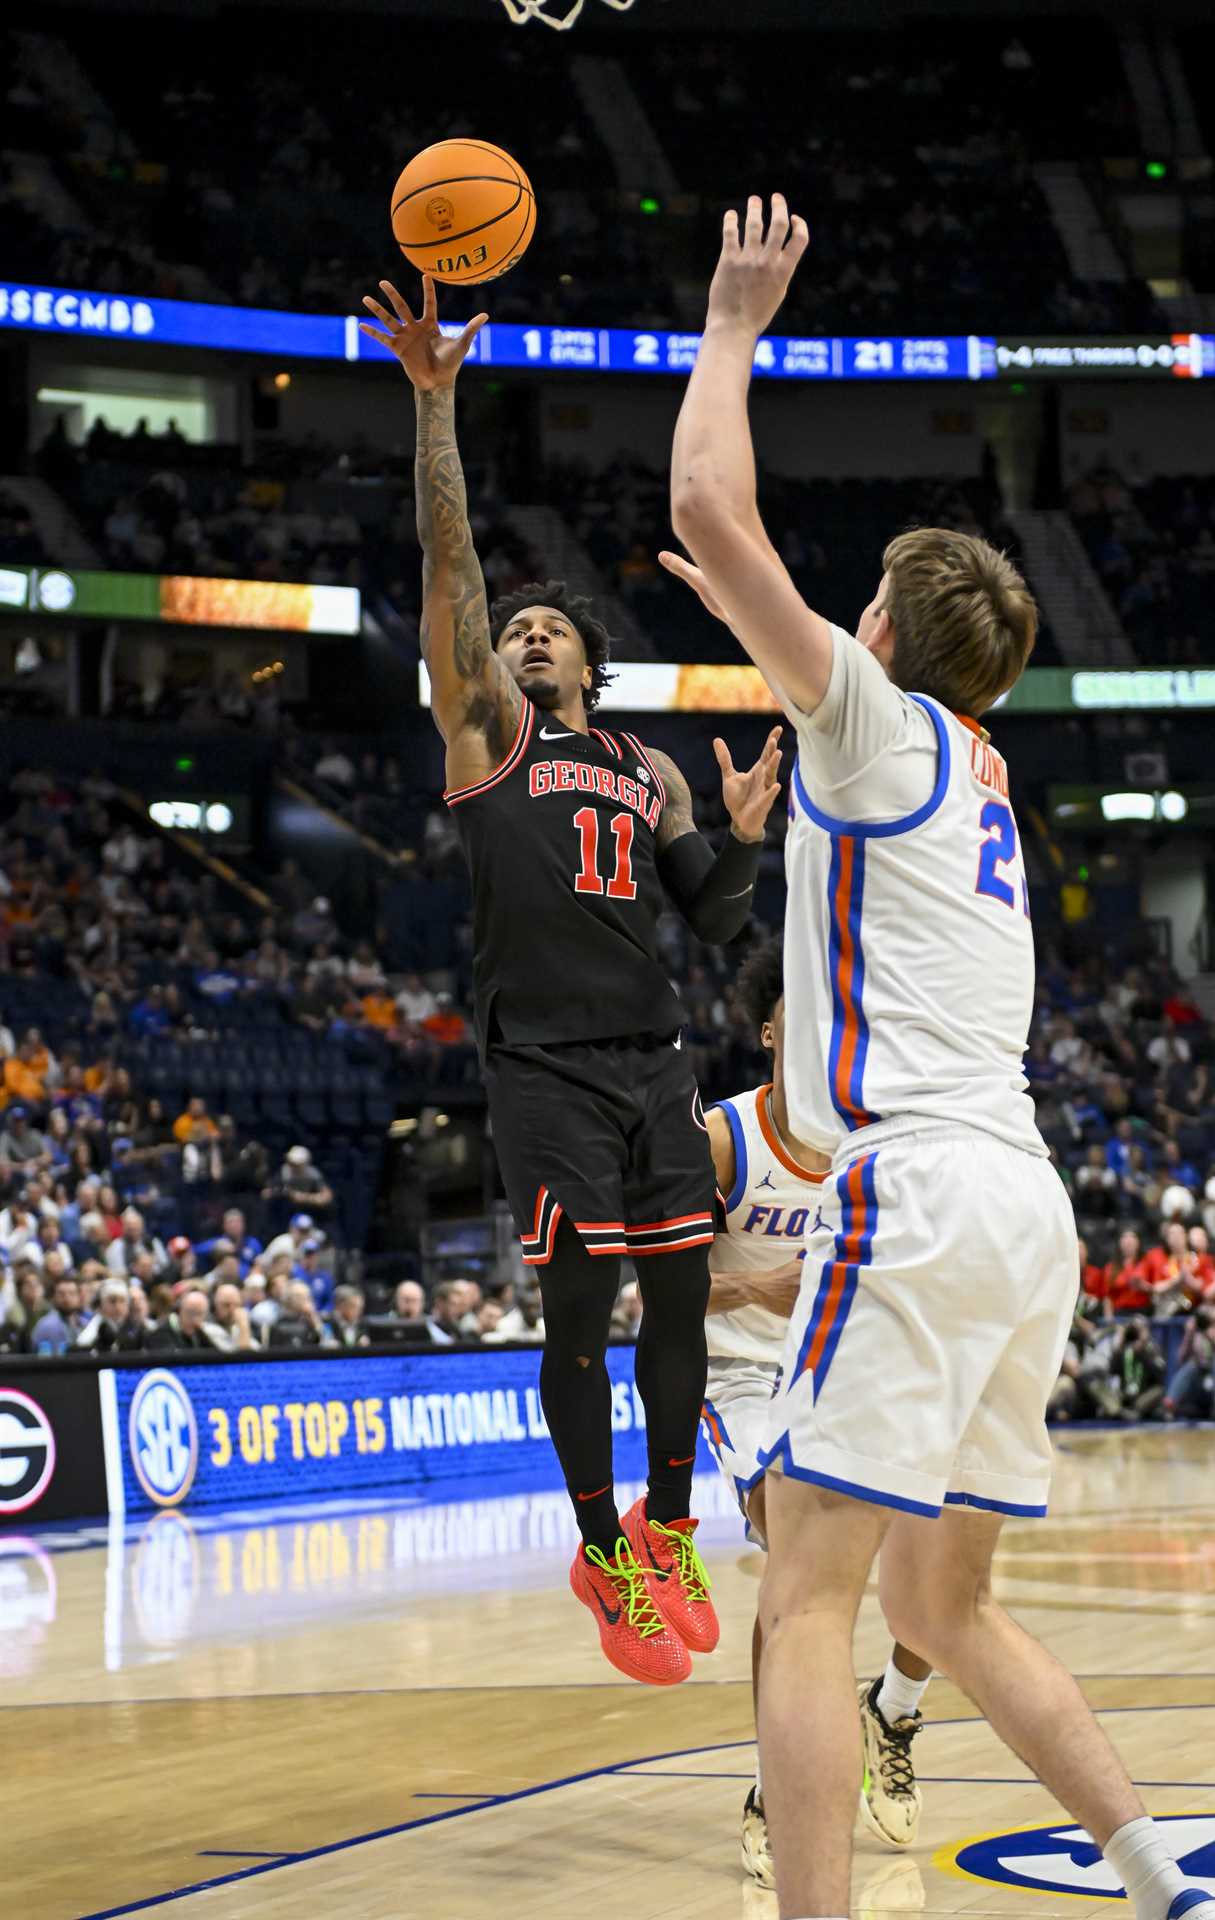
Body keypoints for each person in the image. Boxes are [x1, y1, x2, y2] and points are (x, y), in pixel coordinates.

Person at [664, 190, 1215, 1920]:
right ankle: (1163, 1885)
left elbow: (702, 494)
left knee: (807, 1602)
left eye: (849, 616)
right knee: (949, 1614)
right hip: (1025, 1207)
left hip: (909, 1190)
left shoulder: (871, 718)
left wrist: (736, 320)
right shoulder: (979, 775)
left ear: (889, 639)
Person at [361, 268, 784, 1687]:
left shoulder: (647, 765)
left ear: (591, 665)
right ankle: (600, 1541)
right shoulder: (487, 734)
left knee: (679, 1298)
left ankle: (669, 1526)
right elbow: (451, 574)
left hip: (652, 1059)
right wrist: (437, 407)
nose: (525, 639)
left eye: (551, 633)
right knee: (581, 1303)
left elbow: (718, 923)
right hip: (538, 1063)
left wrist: (733, 843)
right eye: (516, 633)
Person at [701, 937, 932, 1889]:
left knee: (939, 1534)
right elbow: (650, 1282)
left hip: (843, 1363)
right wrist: (761, 1291)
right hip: (743, 1377)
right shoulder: (723, 1137)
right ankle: (773, 1789)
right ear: (768, 1030)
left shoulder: (868, 1143)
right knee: (794, 1560)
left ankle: (898, 1702)